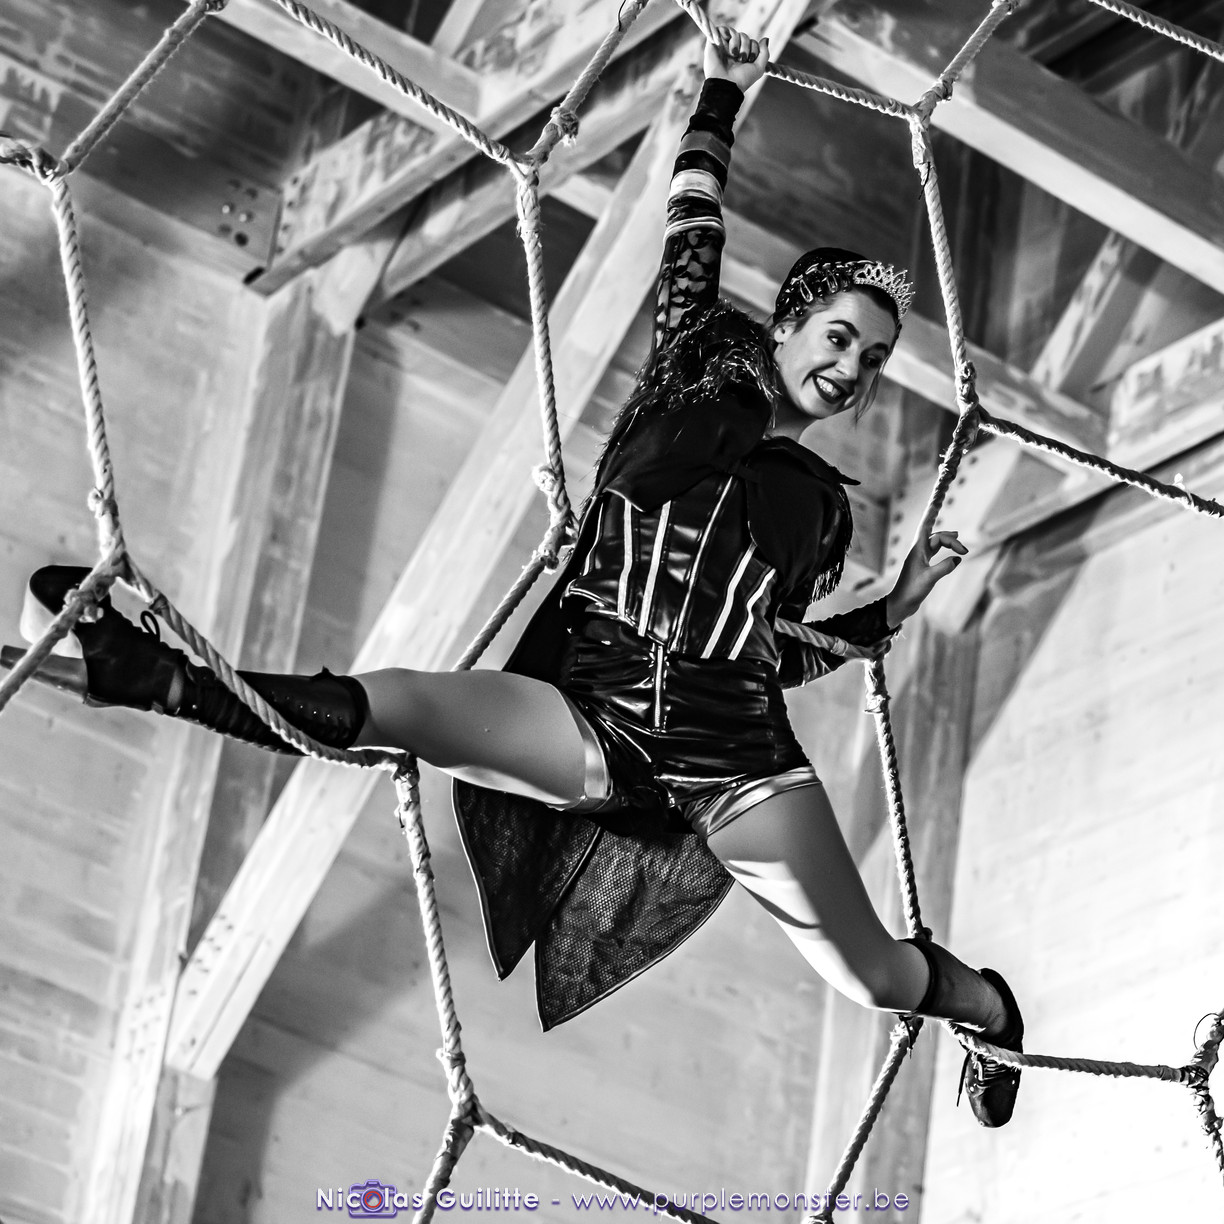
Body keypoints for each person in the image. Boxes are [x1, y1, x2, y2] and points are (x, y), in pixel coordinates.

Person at [9, 27, 1023, 1126]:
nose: (850, 368)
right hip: (597, 709)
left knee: (869, 976)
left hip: (733, 758)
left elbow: (773, 652)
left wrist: (893, 607)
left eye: (872, 360)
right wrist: (722, 94)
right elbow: (694, 222)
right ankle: (139, 673)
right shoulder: (697, 355)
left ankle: (986, 1007)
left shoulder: (819, 508)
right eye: (839, 336)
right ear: (788, 323)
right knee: (393, 708)